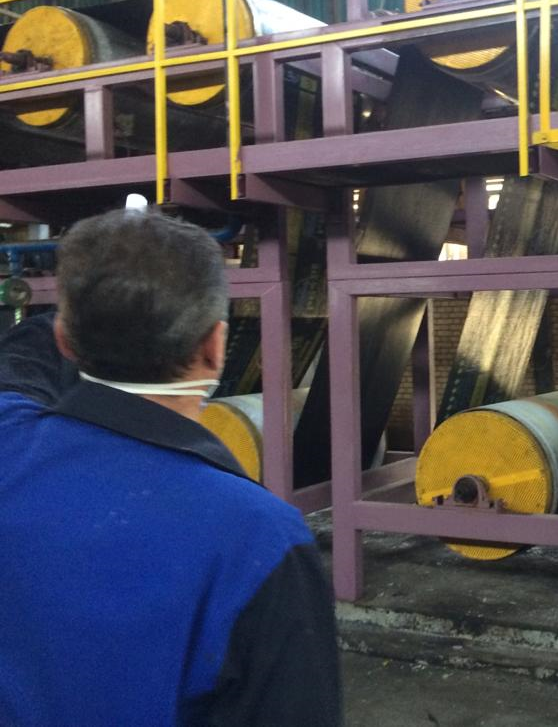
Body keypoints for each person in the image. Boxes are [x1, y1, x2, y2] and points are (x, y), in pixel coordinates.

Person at [0, 209, 341, 726]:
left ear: (65, 341)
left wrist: (101, 298)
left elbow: (20, 365)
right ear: (216, 346)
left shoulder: (10, 443)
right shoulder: (259, 538)